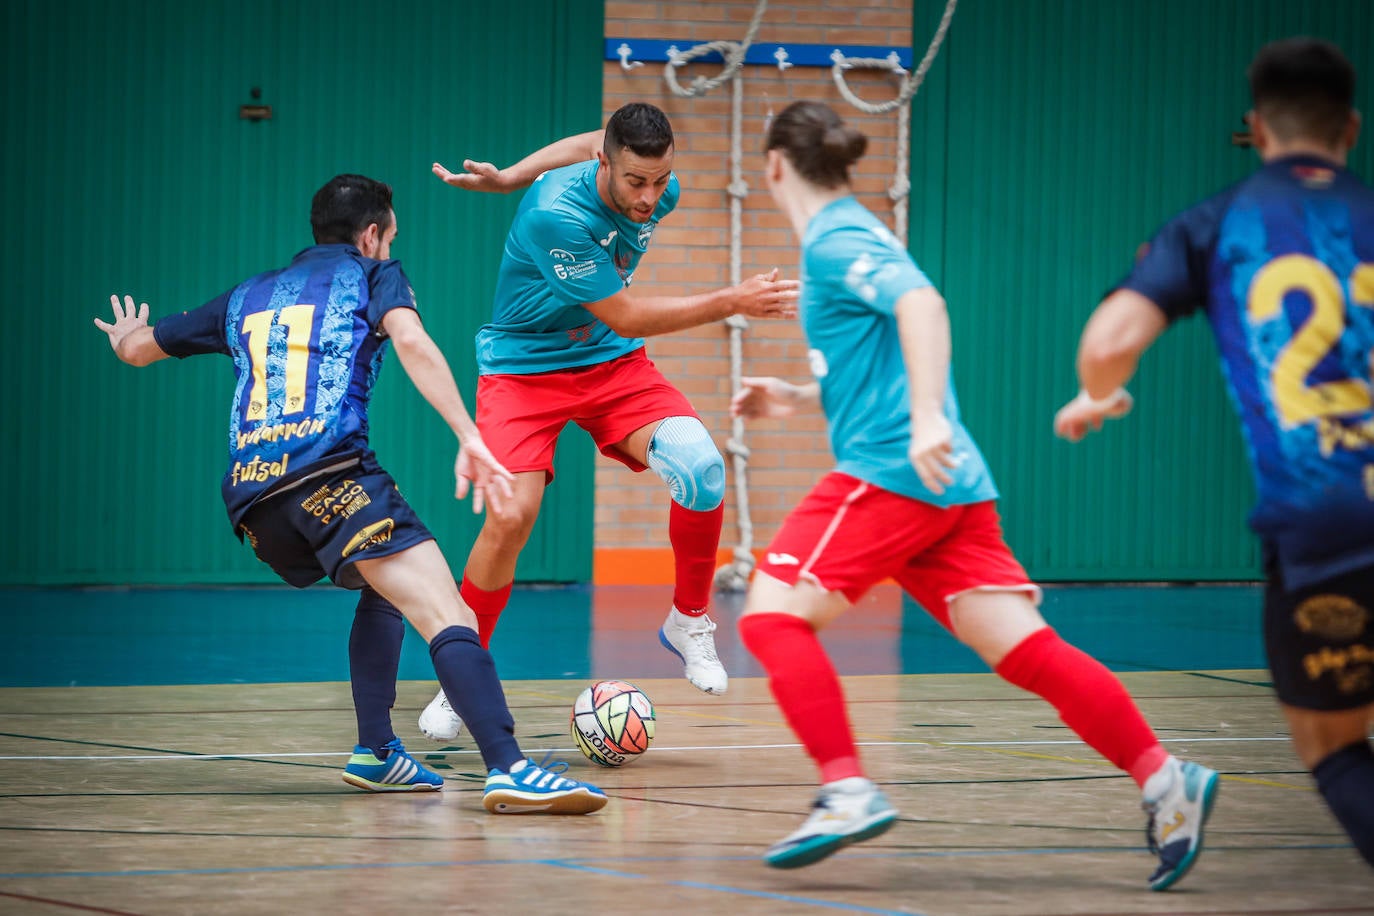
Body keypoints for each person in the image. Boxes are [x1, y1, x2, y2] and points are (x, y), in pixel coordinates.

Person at [730, 100, 1218, 888]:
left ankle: (846, 788)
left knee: (770, 616)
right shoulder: (855, 230)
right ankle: (1166, 779)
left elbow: (923, 306)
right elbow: (872, 362)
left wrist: (925, 419)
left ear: (774, 165)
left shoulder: (834, 239)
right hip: (949, 489)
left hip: (894, 473)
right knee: (1025, 648)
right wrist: (791, 395)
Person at [93, 173, 607, 815]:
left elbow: (141, 350)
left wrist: (123, 338)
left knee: (381, 586)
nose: (390, 249)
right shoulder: (372, 275)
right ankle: (511, 768)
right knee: (450, 613)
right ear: (371, 235)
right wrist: (469, 434)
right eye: (390, 238)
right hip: (329, 477)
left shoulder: (247, 295)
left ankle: (376, 752)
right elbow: (413, 341)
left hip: (255, 505)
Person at [1056, 36, 1374, 869]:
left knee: (1336, 743)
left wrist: (1099, 392)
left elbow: (1108, 341)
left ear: (1257, 130)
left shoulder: (1219, 223)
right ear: (1351, 128)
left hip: (1325, 524)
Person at [416, 102, 799, 741]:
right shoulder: (555, 219)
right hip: (523, 369)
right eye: (634, 183)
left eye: (659, 180)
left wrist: (509, 173)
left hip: (609, 365)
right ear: (604, 167)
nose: (649, 197)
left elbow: (597, 134)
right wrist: (732, 300)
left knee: (701, 466)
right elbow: (627, 314)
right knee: (510, 515)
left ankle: (689, 621)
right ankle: (463, 677)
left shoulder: (654, 183)